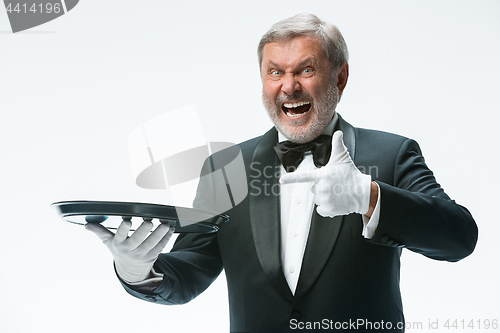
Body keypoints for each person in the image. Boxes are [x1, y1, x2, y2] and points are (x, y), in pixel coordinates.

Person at [86, 13, 478, 332]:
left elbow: (459, 238)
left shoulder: (391, 153)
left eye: (305, 70)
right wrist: (137, 271)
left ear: (340, 78)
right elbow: (189, 271)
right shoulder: (224, 168)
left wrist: (369, 196)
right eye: (275, 73)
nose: (288, 87)